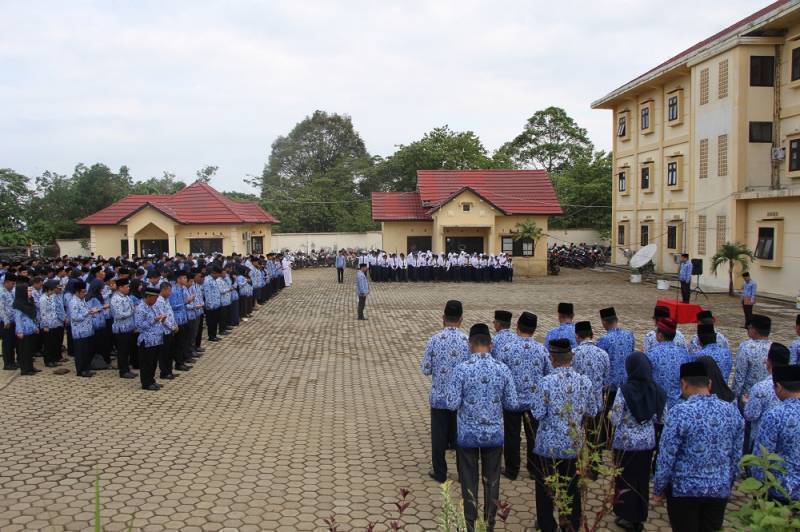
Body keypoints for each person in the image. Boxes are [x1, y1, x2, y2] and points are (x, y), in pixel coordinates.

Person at [652, 361, 744, 531]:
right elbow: (737, 454)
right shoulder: (732, 411)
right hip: (719, 487)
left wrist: (659, 488)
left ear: (683, 384)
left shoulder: (679, 412)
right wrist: (728, 482)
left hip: (684, 488)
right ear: (709, 383)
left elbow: (666, 455)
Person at [445, 322, 518, 532]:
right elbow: (512, 403)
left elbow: (451, 403)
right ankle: (489, 525)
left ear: (469, 344)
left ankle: (470, 525)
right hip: (494, 435)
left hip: (467, 435)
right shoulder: (502, 369)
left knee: (469, 481)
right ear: (491, 344)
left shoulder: (462, 369)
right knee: (492, 481)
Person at [530, 339, 596, 532]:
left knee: (545, 489)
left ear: (552, 359)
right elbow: (593, 410)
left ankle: (547, 524)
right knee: (572, 488)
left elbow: (537, 413)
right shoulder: (585, 382)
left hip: (548, 446)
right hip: (573, 444)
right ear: (572, 357)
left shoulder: (545, 382)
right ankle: (571, 524)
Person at [610, 352, 666, 532]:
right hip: (647, 443)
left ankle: (626, 515)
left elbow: (616, 418)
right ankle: (639, 517)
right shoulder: (656, 390)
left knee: (624, 479)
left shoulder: (625, 390)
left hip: (625, 443)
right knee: (641, 479)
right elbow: (662, 418)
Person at [494, 311, 550, 481]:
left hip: (512, 400)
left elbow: (499, 374)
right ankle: (534, 469)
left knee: (512, 435)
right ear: (534, 330)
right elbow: (548, 375)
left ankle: (512, 469)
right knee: (533, 434)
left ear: (517, 327)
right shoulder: (542, 350)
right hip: (534, 401)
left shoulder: (506, 349)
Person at [420, 300, 469, 482]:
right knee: (460, 437)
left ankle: (440, 472)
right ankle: (464, 473)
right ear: (461, 319)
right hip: (460, 399)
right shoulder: (467, 341)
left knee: (439, 437)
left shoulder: (435, 340)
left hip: (439, 397)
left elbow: (425, 368)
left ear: (443, 318)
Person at [752, 364, 800, 503]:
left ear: (778, 387)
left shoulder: (775, 415)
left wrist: (759, 486)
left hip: (780, 489)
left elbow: (761, 455)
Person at [597, 307, 637, 435]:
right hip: (626, 383)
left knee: (607, 415)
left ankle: (605, 437)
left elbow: (601, 362)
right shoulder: (629, 335)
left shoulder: (604, 340)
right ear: (616, 320)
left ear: (604, 322)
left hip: (611, 386)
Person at [743, 343, 790, 448]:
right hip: (786, 442)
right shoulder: (793, 387)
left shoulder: (760, 387)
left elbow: (750, 415)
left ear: (769, 362)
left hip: (761, 443)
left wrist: (747, 402)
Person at [572, 321, 610, 449]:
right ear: (592, 334)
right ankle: (594, 466)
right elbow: (606, 380)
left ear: (577, 336)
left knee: (574, 436)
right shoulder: (603, 354)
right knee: (594, 438)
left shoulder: (572, 354)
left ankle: (576, 465)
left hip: (576, 403)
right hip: (596, 401)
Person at [645, 318, 688, 410]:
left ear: (660, 335)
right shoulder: (685, 354)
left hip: (656, 406)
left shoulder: (650, 354)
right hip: (678, 407)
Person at [135, 286, 165, 391]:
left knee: (153, 362)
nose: (156, 300)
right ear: (148, 297)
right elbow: (139, 325)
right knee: (146, 363)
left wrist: (161, 318)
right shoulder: (140, 308)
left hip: (156, 339)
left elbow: (158, 318)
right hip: (146, 340)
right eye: (154, 298)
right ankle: (146, 383)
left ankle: (152, 380)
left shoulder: (154, 306)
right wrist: (154, 320)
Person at [109, 278, 137, 379]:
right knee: (122, 350)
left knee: (127, 350)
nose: (128, 288)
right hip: (121, 328)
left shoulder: (127, 297)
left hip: (129, 327)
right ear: (120, 287)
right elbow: (118, 315)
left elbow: (133, 307)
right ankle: (123, 371)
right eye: (126, 287)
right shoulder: (116, 299)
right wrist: (131, 312)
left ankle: (127, 369)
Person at [68, 280, 96, 378]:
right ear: (77, 292)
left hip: (87, 330)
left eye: (85, 291)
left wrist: (90, 311)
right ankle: (80, 370)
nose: (85, 294)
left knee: (86, 351)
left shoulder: (82, 300)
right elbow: (75, 317)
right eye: (83, 292)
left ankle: (87, 368)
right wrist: (87, 313)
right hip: (79, 331)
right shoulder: (73, 302)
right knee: (80, 352)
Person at [13, 282, 40, 376]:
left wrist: (35, 327)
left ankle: (30, 367)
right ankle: (25, 369)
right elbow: (18, 318)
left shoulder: (29, 301)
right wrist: (19, 331)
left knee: (30, 350)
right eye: (28, 291)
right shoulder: (18, 304)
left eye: (30, 290)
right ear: (22, 292)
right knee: (24, 351)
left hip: (30, 329)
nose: (30, 292)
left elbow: (32, 316)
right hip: (23, 331)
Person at [0, 273, 17, 370]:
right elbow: (1, 308)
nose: (13, 285)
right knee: (7, 343)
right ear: (6, 282)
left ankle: (12, 361)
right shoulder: (1, 292)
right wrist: (6, 320)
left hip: (13, 321)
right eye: (12, 283)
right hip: (5, 322)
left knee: (12, 343)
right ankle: (7, 363)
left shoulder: (10, 291)